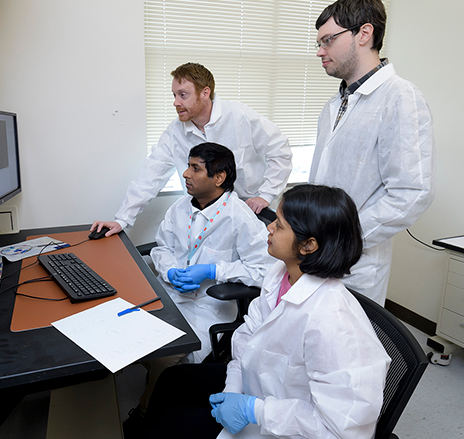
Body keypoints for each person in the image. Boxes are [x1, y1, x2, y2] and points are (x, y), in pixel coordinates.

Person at [145, 184, 391, 439]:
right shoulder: (280, 274)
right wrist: (233, 389)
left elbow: (342, 431)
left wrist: (256, 412)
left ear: (308, 245)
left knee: (172, 425)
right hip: (257, 385)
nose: (268, 227)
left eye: (280, 225)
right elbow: (247, 337)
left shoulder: (334, 323)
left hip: (285, 425)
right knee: (172, 380)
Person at [124, 143, 273, 438]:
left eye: (195, 168)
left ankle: (143, 414)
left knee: (166, 356)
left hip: (207, 305)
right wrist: (168, 270)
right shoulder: (180, 207)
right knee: (126, 330)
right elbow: (162, 247)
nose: (185, 174)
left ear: (219, 177)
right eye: (188, 166)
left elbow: (265, 270)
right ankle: (156, 387)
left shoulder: (239, 216)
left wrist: (215, 271)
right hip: (170, 294)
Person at [310, 0, 434, 305]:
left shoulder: (400, 98)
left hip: (357, 264)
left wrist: (342, 237)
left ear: (364, 34)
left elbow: (412, 192)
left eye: (328, 40)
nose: (320, 51)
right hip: (318, 251)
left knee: (346, 348)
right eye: (319, 43)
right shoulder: (335, 103)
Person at [91, 62, 292, 237]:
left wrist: (265, 195)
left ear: (205, 93)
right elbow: (149, 178)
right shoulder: (174, 133)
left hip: (252, 215)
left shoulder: (240, 117)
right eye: (174, 95)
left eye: (183, 95)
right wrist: (122, 220)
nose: (175, 102)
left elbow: (280, 151)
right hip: (207, 216)